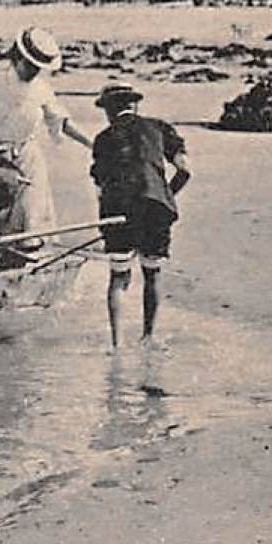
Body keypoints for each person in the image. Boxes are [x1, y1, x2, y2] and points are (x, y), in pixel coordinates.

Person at [0, 26, 93, 239]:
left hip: (28, 159)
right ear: (17, 58)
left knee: (31, 215)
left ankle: (30, 261)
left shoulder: (42, 89)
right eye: (30, 66)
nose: (33, 72)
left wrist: (92, 143)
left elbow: (61, 122)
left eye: (38, 68)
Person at [89, 82, 192, 347]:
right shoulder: (159, 128)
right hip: (156, 207)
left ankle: (117, 344)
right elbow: (185, 170)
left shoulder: (103, 138)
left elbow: (101, 186)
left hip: (118, 210)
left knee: (119, 276)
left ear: (109, 111)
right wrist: (165, 195)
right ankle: (148, 337)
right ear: (134, 105)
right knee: (152, 273)